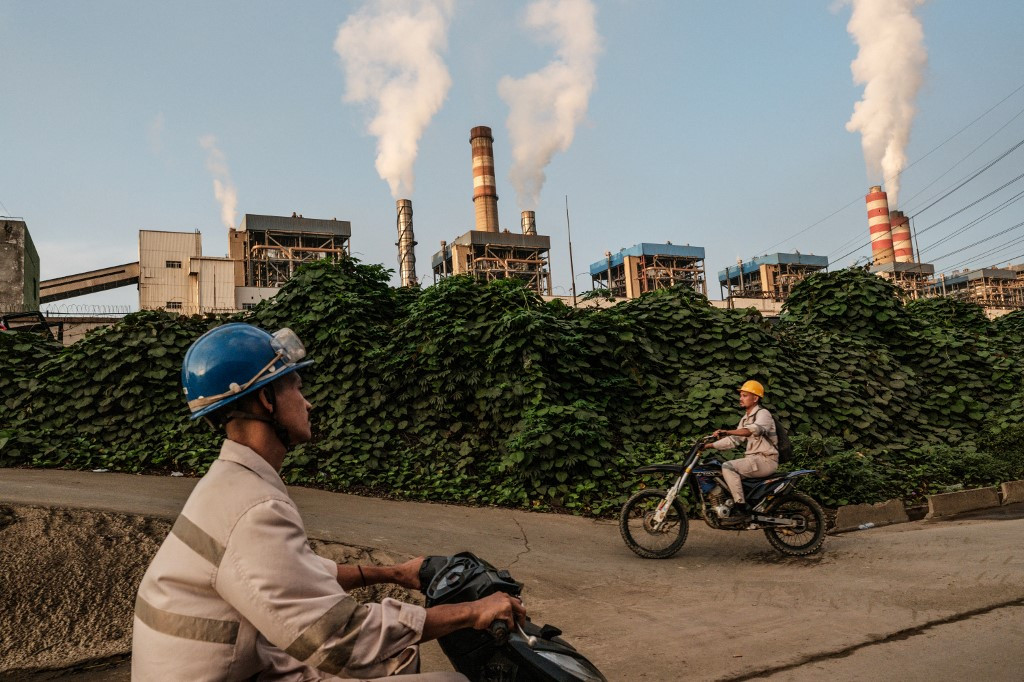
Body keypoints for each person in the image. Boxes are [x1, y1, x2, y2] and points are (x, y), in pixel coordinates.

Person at [132, 323, 524, 681]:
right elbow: (340, 640)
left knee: (395, 657)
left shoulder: (229, 484)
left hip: (233, 667)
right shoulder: (253, 509)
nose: (308, 403)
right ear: (267, 399)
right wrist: (471, 612)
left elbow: (293, 574)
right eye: (296, 387)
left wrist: (392, 573)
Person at [703, 380, 778, 516]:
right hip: (753, 461)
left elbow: (752, 430)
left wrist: (727, 431)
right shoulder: (745, 418)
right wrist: (708, 445)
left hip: (766, 460)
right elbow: (733, 441)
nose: (740, 398)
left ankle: (741, 507)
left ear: (755, 398)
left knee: (728, 466)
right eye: (741, 395)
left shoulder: (763, 414)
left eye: (745, 395)